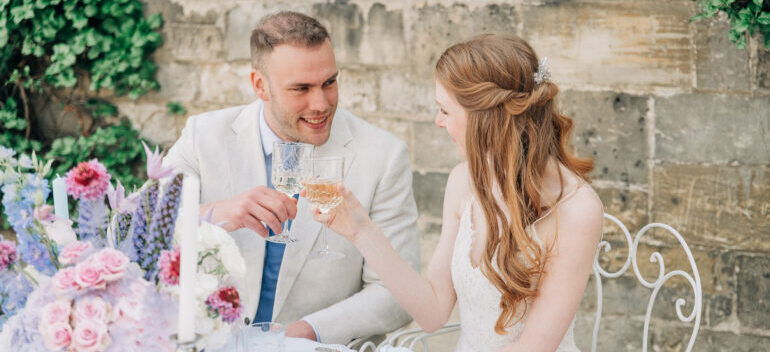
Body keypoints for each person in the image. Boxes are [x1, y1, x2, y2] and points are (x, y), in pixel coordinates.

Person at [309, 34, 604, 351]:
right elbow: (433, 312)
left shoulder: (578, 208)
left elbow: (535, 346)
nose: (437, 122)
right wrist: (361, 231)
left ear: (485, 117)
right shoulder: (463, 181)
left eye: (445, 110)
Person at [164, 11, 419, 345]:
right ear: (259, 85)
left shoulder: (384, 156)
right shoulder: (203, 135)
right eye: (301, 88)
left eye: (330, 82)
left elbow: (398, 293)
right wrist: (214, 213)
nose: (322, 103)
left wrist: (300, 336)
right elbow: (139, 228)